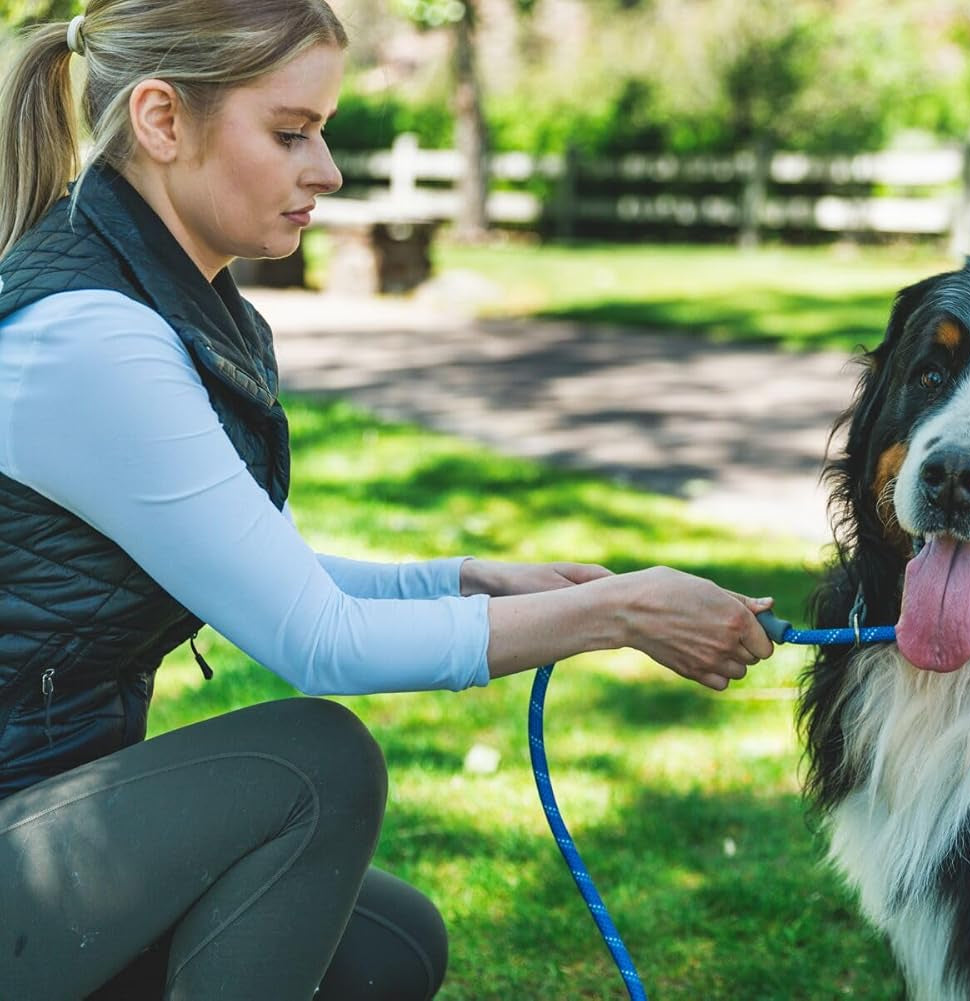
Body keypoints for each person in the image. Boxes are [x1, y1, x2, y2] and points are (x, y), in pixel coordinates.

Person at [0, 3, 776, 998]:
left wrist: (459, 579)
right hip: (28, 825)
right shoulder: (92, 338)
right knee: (314, 764)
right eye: (291, 132)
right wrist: (617, 614)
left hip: (42, 807)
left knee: (388, 946)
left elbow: (258, 567)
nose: (326, 169)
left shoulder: (149, 297)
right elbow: (312, 637)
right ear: (160, 121)